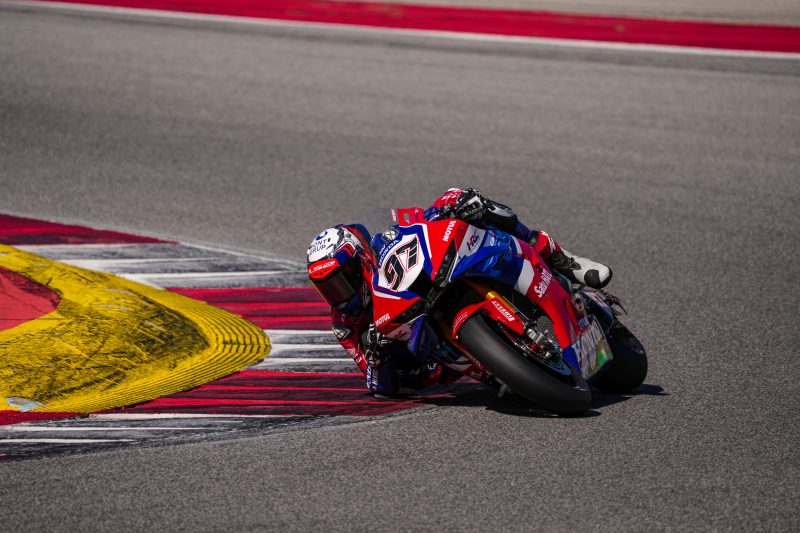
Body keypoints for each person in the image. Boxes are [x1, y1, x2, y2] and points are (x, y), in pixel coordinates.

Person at [306, 188, 612, 396]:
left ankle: (561, 258)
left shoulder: (383, 240)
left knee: (462, 199)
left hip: (441, 276)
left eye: (340, 280)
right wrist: (374, 357)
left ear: (359, 260)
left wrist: (449, 207)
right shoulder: (345, 325)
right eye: (327, 288)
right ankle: (505, 365)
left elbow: (421, 217)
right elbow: (377, 386)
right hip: (435, 359)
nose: (338, 294)